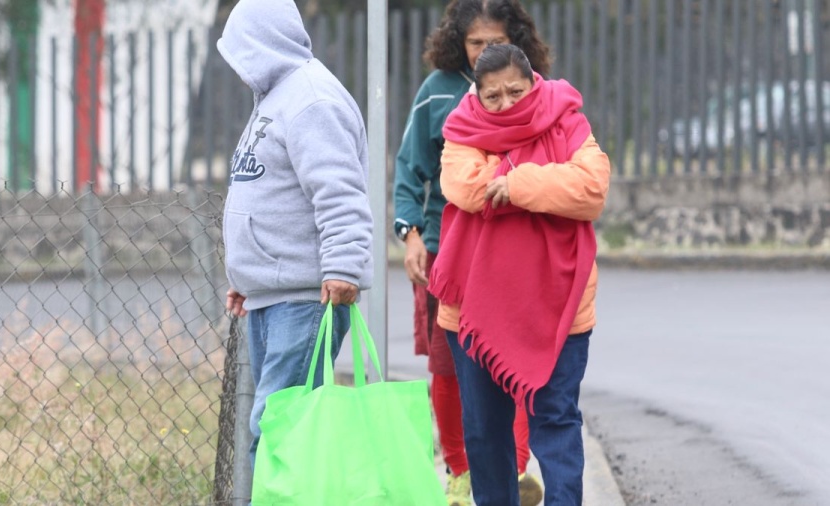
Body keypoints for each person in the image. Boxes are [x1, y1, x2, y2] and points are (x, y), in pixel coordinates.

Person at [429, 43, 611, 506]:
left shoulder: (566, 118)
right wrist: (549, 177)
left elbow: (591, 187)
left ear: (534, 83)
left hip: (559, 307)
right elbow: (467, 187)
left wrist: (516, 184)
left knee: (557, 419)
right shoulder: (462, 127)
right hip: (475, 311)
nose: (506, 104)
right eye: (493, 96)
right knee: (485, 430)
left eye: (516, 91)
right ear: (477, 95)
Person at [393, 1, 549, 504]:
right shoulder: (437, 90)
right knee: (448, 367)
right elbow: (409, 168)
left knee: (514, 363)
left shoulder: (533, 89)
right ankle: (459, 472)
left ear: (516, 40)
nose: (484, 52)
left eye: (496, 42)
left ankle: (515, 469)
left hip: (518, 254)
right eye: (475, 42)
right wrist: (410, 236)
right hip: (448, 254)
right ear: (458, 42)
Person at [216, 0, 373, 471]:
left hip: (305, 300)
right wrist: (249, 276)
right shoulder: (276, 99)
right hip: (274, 295)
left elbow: (339, 190)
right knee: (280, 428)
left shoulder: (312, 100)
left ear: (261, 43)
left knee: (280, 431)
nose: (238, 66)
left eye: (241, 49)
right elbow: (267, 191)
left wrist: (343, 265)